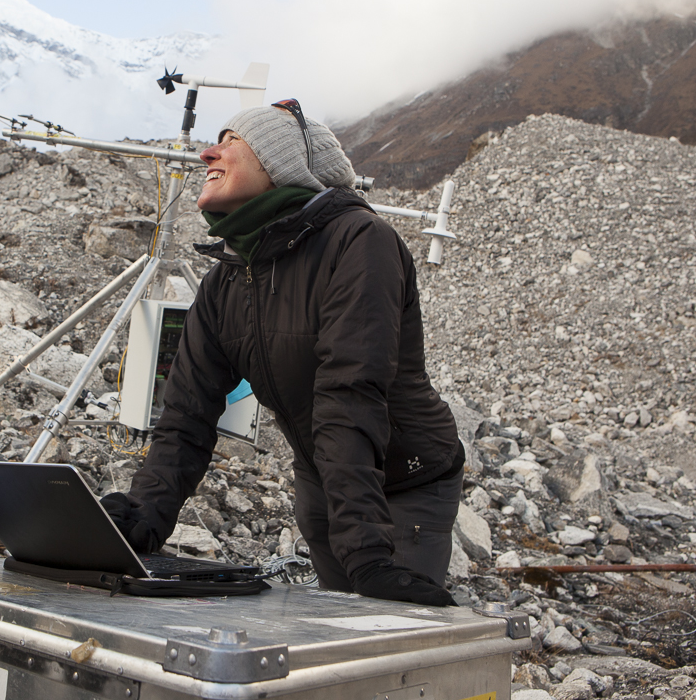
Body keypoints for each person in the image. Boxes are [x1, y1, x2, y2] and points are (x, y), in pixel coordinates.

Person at [101, 100, 463, 606]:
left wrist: (365, 550)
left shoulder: (360, 241)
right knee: (336, 633)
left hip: (404, 480)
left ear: (280, 164)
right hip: (321, 474)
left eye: (231, 143)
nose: (209, 153)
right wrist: (143, 518)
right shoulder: (228, 277)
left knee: (389, 636)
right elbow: (186, 414)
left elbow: (350, 393)